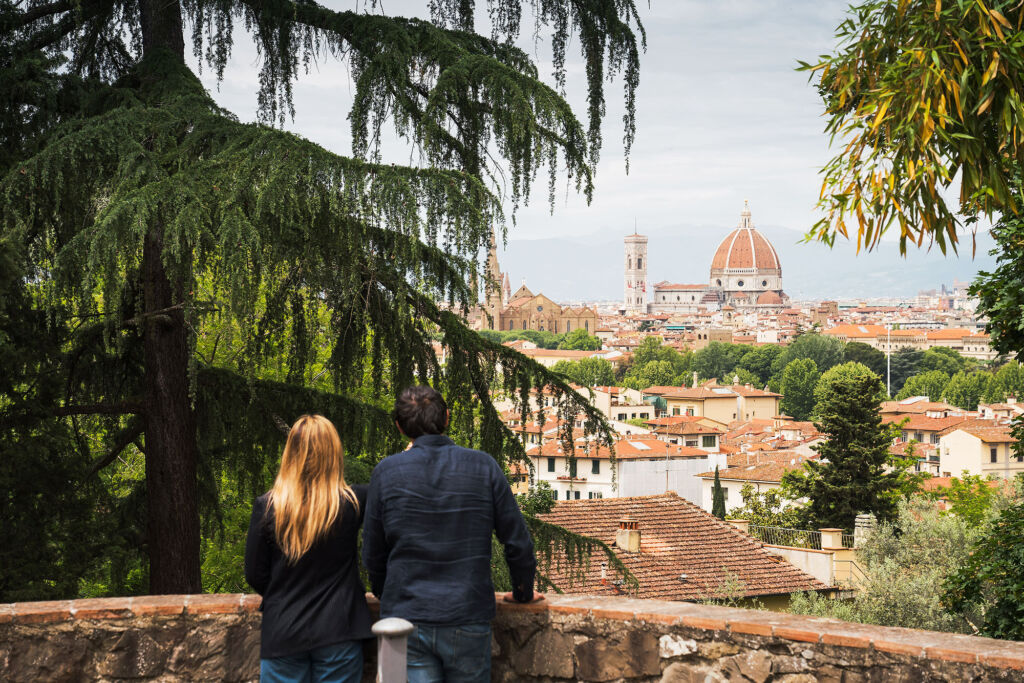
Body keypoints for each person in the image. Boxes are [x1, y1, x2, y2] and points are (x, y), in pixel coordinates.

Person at [363, 385, 541, 682]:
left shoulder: (386, 472)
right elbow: (517, 542)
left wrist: (387, 595)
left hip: (406, 614)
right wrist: (523, 592)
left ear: (399, 427)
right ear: (447, 417)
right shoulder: (483, 466)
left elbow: (373, 551)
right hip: (466, 613)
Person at [245, 414, 371, 683]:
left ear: (291, 453)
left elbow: (255, 575)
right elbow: (392, 486)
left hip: (283, 631)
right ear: (333, 453)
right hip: (340, 628)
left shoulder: (268, 507)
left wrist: (285, 592)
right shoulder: (352, 502)